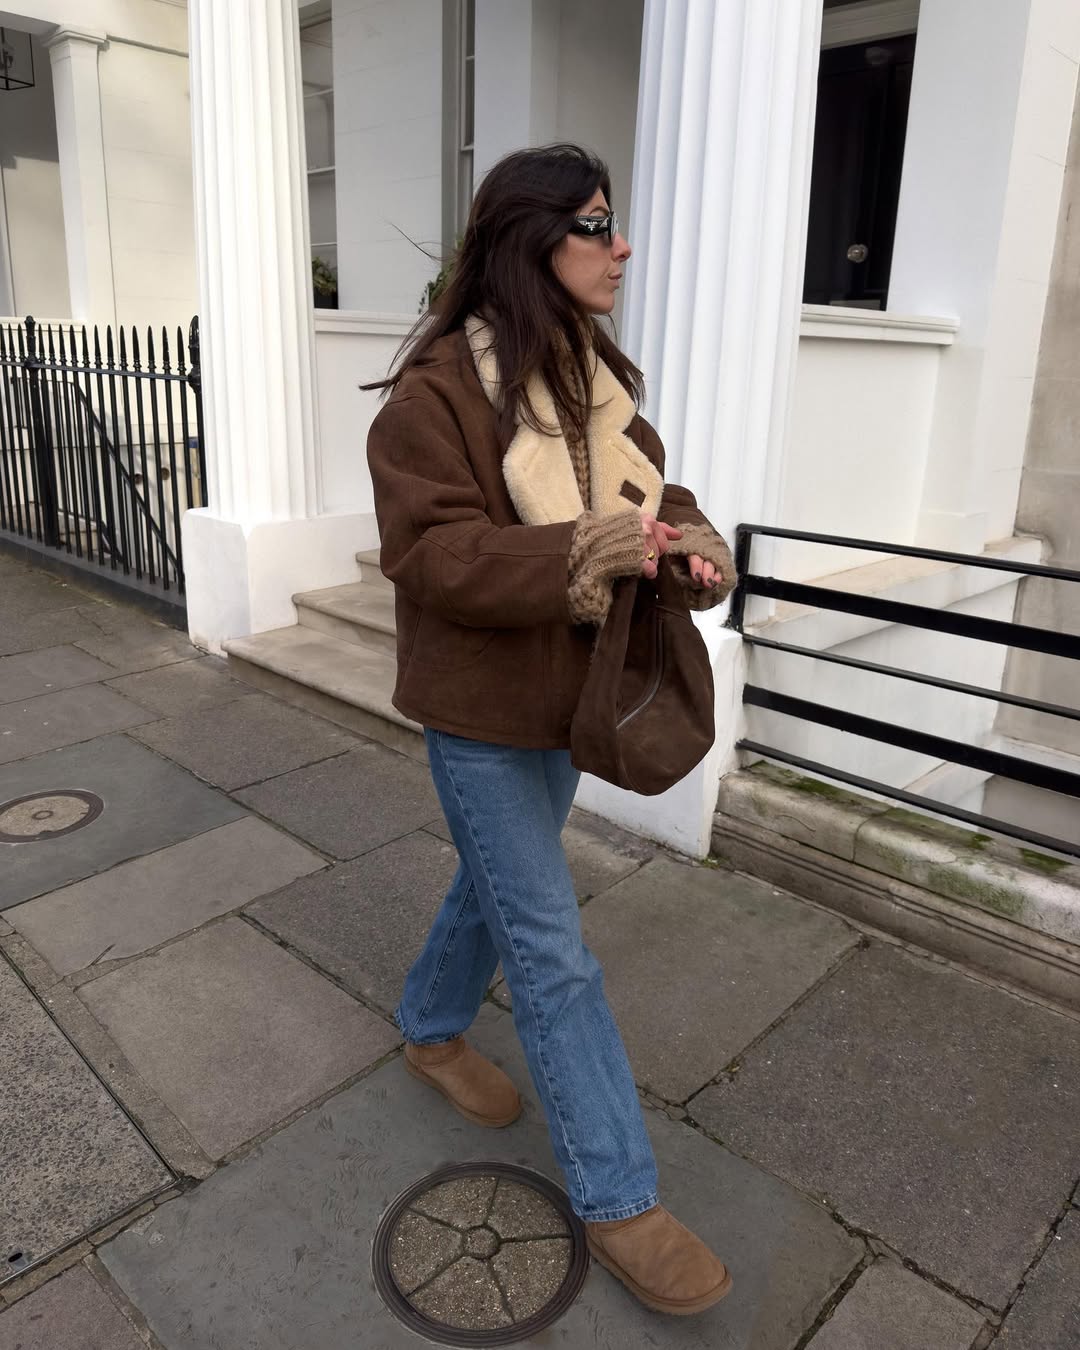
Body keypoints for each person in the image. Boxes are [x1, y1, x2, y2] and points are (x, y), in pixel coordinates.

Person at [366, 144, 736, 1317]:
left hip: (568, 707)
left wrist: (686, 536)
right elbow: (432, 554)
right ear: (534, 243)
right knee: (552, 949)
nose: (620, 245)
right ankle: (619, 1196)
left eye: (613, 221)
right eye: (595, 223)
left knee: (492, 890)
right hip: (479, 713)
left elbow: (642, 490)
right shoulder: (433, 396)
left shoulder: (589, 375)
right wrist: (585, 554)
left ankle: (429, 1026)